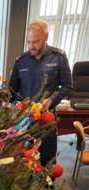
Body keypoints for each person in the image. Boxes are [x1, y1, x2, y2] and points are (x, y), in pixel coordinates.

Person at [9, 21, 72, 167]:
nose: (31, 47)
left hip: (47, 120)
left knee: (47, 162)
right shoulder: (21, 61)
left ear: (46, 37)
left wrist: (52, 100)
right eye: (29, 42)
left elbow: (68, 86)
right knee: (24, 161)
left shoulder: (58, 58)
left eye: (35, 42)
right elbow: (11, 92)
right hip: (25, 121)